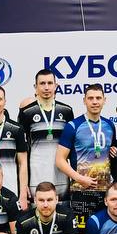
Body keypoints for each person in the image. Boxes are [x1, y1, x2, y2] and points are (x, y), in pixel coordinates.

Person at [56, 83, 117, 216]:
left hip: (106, 191)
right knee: (82, 230)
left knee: (104, 228)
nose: (95, 102)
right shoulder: (73, 126)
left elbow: (109, 153)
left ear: (104, 100)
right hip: (81, 190)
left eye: (98, 98)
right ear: (84, 101)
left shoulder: (110, 125)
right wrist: (79, 178)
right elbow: (59, 160)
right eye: (90, 98)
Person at [21, 69, 75, 198]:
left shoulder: (66, 110)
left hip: (61, 175)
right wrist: (23, 184)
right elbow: (23, 150)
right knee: (39, 208)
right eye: (42, 83)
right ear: (35, 87)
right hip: (36, 174)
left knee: (61, 208)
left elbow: (72, 147)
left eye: (50, 83)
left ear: (56, 86)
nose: (46, 87)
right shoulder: (26, 112)